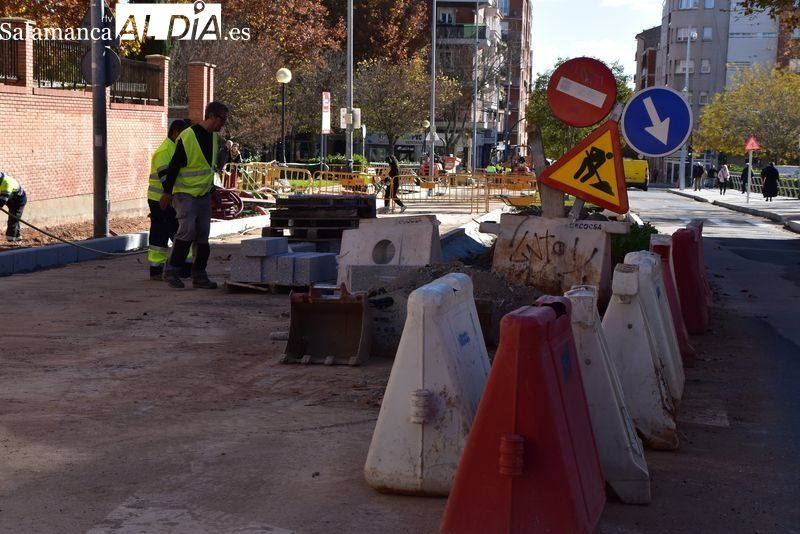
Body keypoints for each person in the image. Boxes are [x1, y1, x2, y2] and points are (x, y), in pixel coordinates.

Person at [160, 101, 229, 289]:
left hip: (203, 194)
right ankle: (172, 270)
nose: (223, 124)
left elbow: (206, 168)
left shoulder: (214, 138)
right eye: (222, 119)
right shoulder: (188, 136)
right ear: (212, 116)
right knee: (187, 230)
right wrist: (167, 192)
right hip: (185, 193)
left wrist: (213, 191)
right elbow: (174, 166)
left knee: (203, 235)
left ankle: (199, 274)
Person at [147, 119, 191, 280]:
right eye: (183, 134)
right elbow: (167, 180)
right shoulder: (165, 151)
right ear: (175, 133)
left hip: (171, 199)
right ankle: (161, 268)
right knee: (166, 232)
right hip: (162, 200)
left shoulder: (175, 149)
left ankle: (161, 268)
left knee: (171, 231)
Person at [0, 171, 27, 242]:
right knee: (15, 218)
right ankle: (17, 236)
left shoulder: (7, 183)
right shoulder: (1, 180)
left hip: (18, 200)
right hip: (10, 199)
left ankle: (11, 239)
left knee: (13, 218)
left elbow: (2, 201)